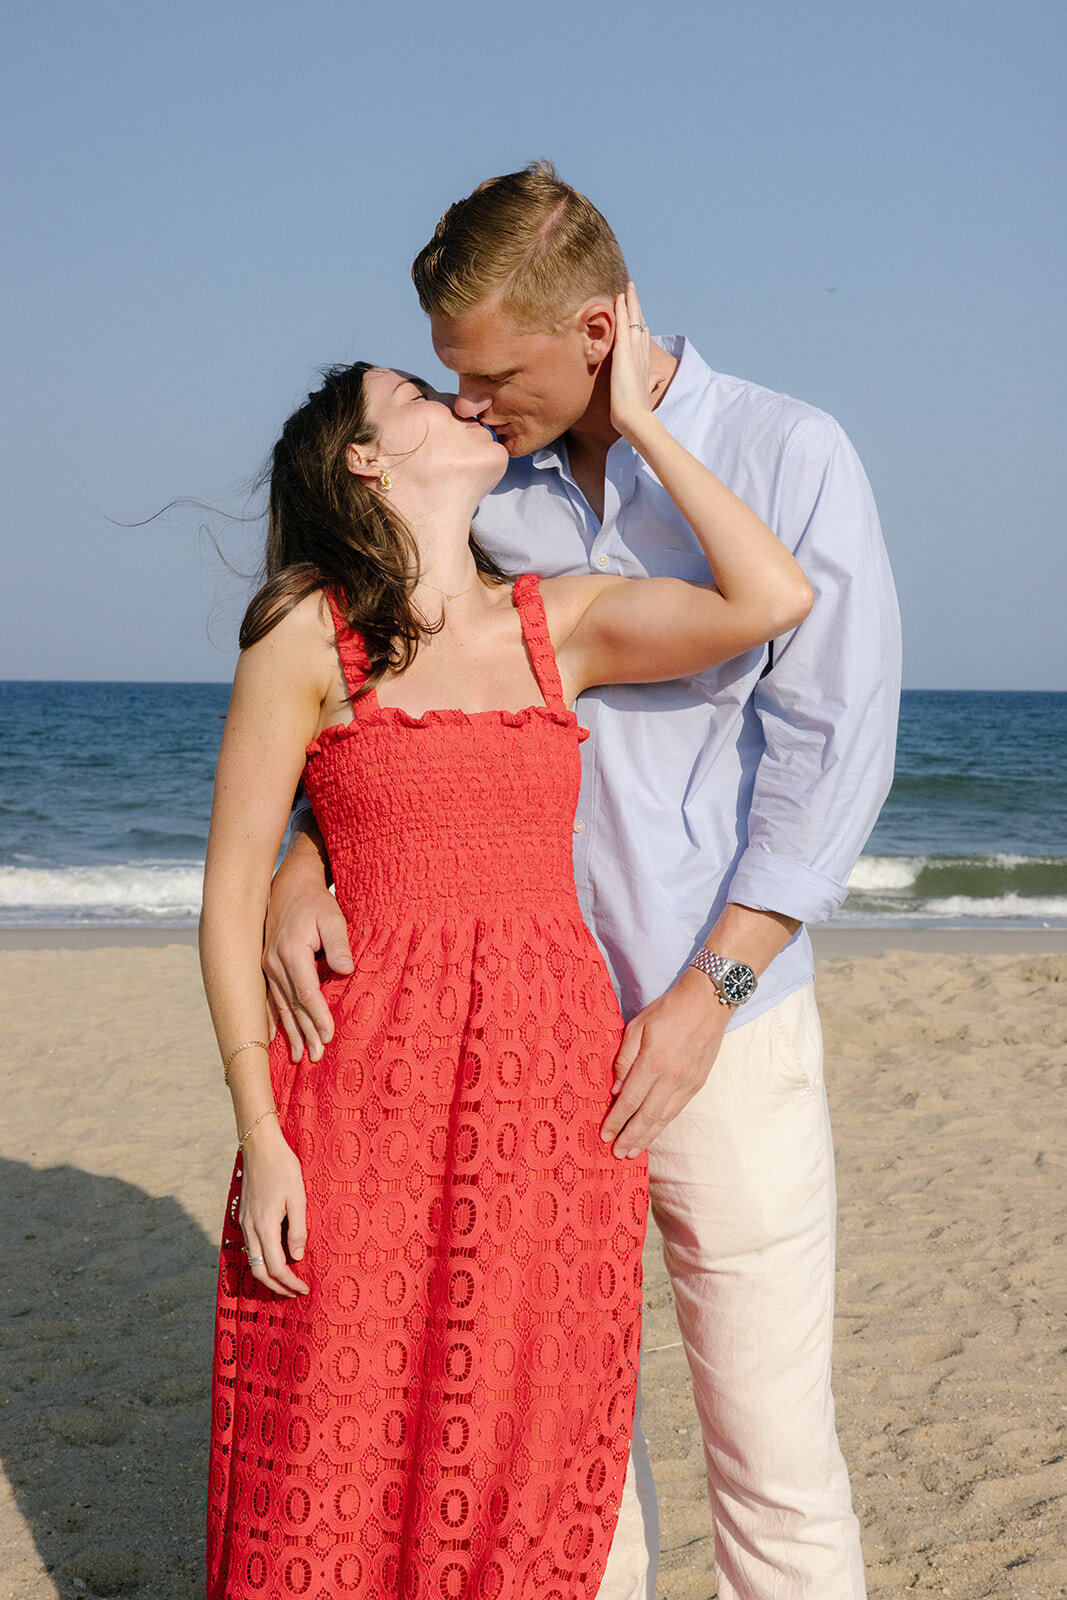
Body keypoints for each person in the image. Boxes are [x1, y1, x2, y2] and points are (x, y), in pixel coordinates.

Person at [263, 165, 901, 1600]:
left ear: (598, 331)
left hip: (719, 1031)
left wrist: (709, 991)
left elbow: (833, 757)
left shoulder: (795, 455)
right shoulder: (490, 490)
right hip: (523, 1049)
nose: (472, 404)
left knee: (771, 1454)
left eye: (495, 371)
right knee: (557, 1449)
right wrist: (311, 846)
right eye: (450, 379)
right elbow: (393, 689)